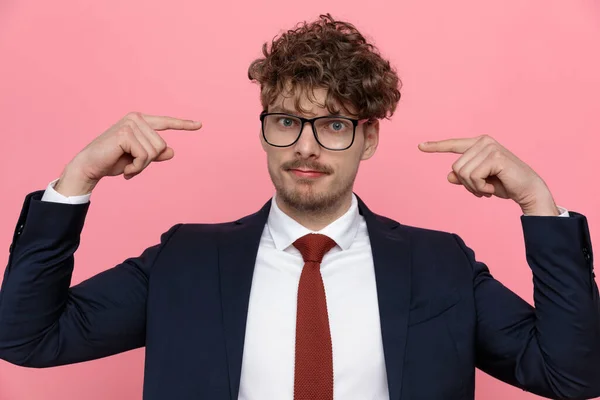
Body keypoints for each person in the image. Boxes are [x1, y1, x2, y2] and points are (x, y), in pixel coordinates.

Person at [0, 13, 598, 400]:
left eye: (334, 124)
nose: (306, 146)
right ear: (264, 129)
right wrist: (75, 180)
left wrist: (537, 205)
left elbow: (574, 373)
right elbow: (26, 338)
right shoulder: (184, 259)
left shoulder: (440, 264)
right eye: (287, 120)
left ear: (368, 137)